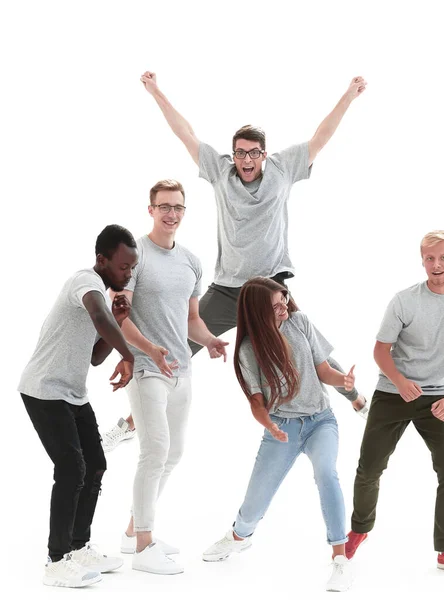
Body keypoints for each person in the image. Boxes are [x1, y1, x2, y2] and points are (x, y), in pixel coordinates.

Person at [102, 71, 368, 451]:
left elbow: (320, 138)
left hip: (271, 290)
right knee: (177, 348)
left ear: (264, 154)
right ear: (233, 154)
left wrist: (348, 96)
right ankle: (129, 424)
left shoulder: (282, 169)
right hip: (227, 290)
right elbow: (186, 134)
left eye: (254, 152)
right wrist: (156, 91)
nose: (247, 159)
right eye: (240, 152)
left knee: (309, 348)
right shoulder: (220, 171)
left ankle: (357, 399)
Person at [345, 231, 444, 576]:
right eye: (429, 258)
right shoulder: (404, 300)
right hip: (394, 392)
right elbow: (380, 349)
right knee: (370, 467)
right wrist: (400, 381)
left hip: (439, 395)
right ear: (422, 260)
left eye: (443, 258)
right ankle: (359, 529)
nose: (436, 265)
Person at [202, 277, 357, 592]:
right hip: (281, 428)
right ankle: (238, 537)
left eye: (283, 298)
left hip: (320, 421)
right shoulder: (249, 349)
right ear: (259, 311)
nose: (284, 305)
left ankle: (340, 558)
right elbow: (257, 403)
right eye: (275, 304)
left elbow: (323, 370)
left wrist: (344, 381)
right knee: (255, 500)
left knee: (326, 473)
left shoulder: (299, 322)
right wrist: (270, 426)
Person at [112, 179, 228, 575]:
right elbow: (119, 314)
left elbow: (192, 320)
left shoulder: (191, 261)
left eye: (177, 207)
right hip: (147, 368)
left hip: (181, 369)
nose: (171, 214)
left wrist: (211, 340)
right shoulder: (135, 255)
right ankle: (144, 547)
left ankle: (132, 531)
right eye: (164, 206)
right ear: (150, 210)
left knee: (173, 452)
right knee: (154, 449)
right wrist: (148, 349)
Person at [18, 225, 138, 588]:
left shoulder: (101, 294)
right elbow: (99, 318)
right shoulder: (84, 281)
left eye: (132, 268)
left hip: (72, 393)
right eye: (122, 267)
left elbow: (96, 357)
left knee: (95, 464)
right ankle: (56, 561)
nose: (128, 274)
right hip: (43, 390)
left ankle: (79, 545)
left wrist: (118, 321)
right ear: (101, 260)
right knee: (71, 469)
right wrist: (130, 353)